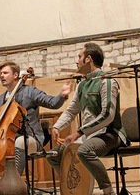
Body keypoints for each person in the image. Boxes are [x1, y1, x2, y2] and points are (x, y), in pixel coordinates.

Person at [0, 61, 72, 194]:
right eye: (0, 74)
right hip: (6, 139)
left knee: (20, 142)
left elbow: (52, 103)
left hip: (31, 139)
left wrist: (62, 95)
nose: (1, 76)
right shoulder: (4, 97)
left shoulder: (30, 91)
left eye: (5, 73)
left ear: (16, 75)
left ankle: (14, 185)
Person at [46, 43, 129, 195]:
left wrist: (79, 132)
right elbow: (71, 110)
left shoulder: (108, 82)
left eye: (79, 57)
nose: (77, 61)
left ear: (88, 59)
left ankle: (108, 191)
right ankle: (77, 186)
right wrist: (56, 127)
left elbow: (107, 116)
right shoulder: (82, 84)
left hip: (111, 133)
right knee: (53, 155)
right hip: (88, 135)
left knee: (85, 151)